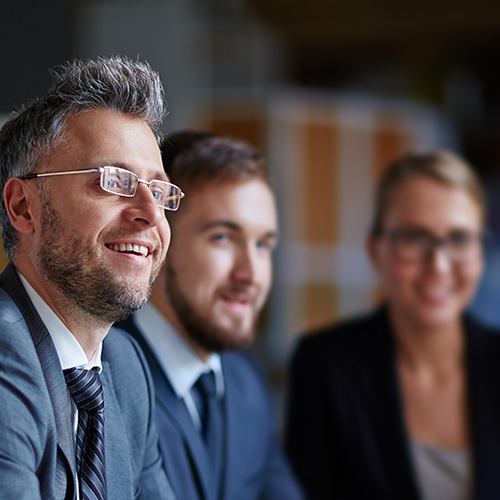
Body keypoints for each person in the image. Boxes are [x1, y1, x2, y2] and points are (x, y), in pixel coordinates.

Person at [0, 56, 182, 500]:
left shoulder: (125, 366)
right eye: (115, 181)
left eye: (158, 191)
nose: (150, 214)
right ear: (24, 207)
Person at [286, 150, 500, 500]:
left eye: (460, 239)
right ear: (376, 250)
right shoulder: (325, 364)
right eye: (415, 238)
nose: (440, 266)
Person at [117, 131, 305, 500]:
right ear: (159, 240)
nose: (250, 273)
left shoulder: (245, 381)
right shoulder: (103, 380)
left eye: (263, 244)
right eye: (222, 238)